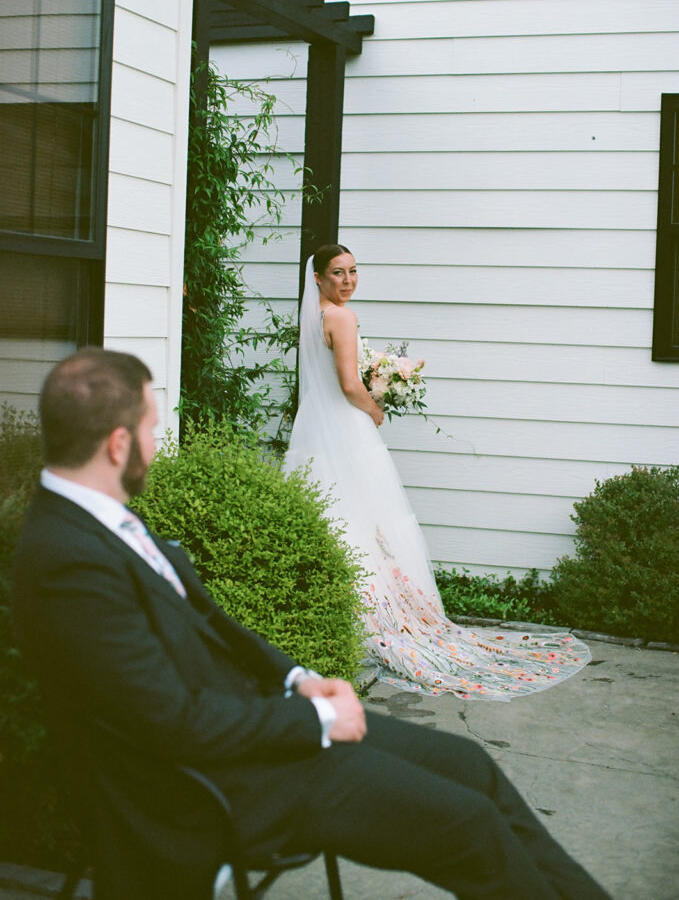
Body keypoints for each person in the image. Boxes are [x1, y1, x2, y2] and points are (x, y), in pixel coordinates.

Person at [11, 347, 611, 900]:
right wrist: (316, 718)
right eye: (150, 428)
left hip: (258, 731)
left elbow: (211, 625)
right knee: (469, 825)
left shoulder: (100, 518)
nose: (156, 438)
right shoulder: (67, 562)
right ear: (118, 445)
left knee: (470, 767)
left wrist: (299, 677)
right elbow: (172, 722)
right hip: (219, 785)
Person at [284, 244, 592, 699]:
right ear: (318, 278)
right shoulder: (343, 318)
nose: (347, 281)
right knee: (366, 515)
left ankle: (334, 611)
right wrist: (375, 407)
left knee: (333, 510)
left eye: (353, 272)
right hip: (345, 422)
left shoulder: (313, 316)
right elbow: (349, 384)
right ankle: (378, 615)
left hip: (313, 422)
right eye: (337, 273)